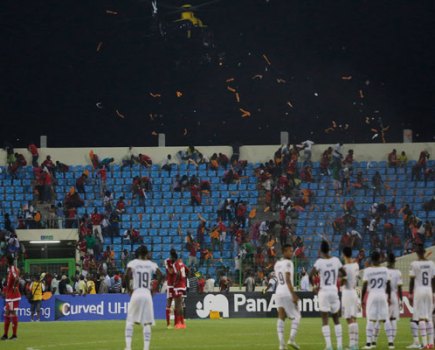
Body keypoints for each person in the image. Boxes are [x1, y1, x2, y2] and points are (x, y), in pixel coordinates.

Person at [309, 240, 346, 350]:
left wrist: (314, 287)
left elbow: (310, 275)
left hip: (323, 292)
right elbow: (344, 273)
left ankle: (329, 346)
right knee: (336, 319)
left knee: (325, 319)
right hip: (334, 291)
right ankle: (339, 346)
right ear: (329, 249)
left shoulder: (319, 262)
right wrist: (336, 274)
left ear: (320, 250)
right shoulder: (336, 260)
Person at [124, 245, 162, 350]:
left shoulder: (133, 263)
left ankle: (128, 347)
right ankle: (146, 348)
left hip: (136, 292)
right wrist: (155, 289)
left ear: (138, 254)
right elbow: (161, 275)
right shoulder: (151, 264)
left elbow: (126, 275)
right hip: (146, 293)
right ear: (147, 253)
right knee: (147, 323)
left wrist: (129, 289)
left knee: (130, 321)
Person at [361, 251, 391, 350]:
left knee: (370, 319)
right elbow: (388, 285)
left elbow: (364, 286)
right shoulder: (385, 269)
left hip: (372, 295)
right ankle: (391, 343)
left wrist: (361, 299)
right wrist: (389, 296)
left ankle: (369, 344)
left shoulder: (368, 270)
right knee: (385, 318)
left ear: (371, 259)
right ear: (379, 258)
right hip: (382, 294)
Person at [274, 244, 301, 350]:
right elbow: (288, 279)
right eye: (290, 251)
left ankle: (281, 345)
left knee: (281, 317)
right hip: (286, 291)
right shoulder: (288, 263)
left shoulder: (277, 264)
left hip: (278, 291)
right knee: (297, 316)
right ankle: (292, 339)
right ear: (284, 252)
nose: (292, 253)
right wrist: (293, 294)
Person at [408, 245, 435, 349]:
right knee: (429, 317)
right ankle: (431, 343)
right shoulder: (431, 263)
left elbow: (411, 280)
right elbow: (433, 280)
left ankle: (424, 344)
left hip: (419, 290)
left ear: (416, 253)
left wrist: (410, 294)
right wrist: (434, 293)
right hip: (429, 290)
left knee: (421, 318)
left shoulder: (414, 264)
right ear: (424, 252)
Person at [341, 247, 360, 350]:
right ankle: (355, 343)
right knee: (354, 318)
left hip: (347, 293)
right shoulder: (356, 265)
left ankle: (352, 345)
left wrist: (340, 278)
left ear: (344, 254)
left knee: (348, 318)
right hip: (354, 291)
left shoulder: (345, 268)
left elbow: (342, 282)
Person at [1, 256, 20, 340]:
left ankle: (14, 335)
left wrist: (14, 288)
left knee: (11, 314)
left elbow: (17, 278)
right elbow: (11, 282)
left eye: (5, 260)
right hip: (10, 296)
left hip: (13, 297)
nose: (4, 262)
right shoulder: (10, 270)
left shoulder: (12, 269)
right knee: (7, 314)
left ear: (8, 261)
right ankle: (6, 335)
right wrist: (5, 290)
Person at [386, 253, 403, 349]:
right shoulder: (398, 272)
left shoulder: (384, 271)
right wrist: (401, 300)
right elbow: (400, 288)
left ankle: (390, 341)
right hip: (395, 296)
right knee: (393, 319)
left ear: (388, 260)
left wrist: (387, 297)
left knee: (386, 319)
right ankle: (392, 341)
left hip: (387, 296)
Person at [173, 257, 189, 329]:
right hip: (183, 285)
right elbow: (188, 271)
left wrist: (175, 282)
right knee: (180, 304)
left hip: (178, 286)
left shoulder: (176, 264)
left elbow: (178, 273)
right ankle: (182, 323)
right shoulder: (182, 264)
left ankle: (180, 323)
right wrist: (184, 278)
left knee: (178, 305)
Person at [164, 249, 177, 329]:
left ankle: (176, 323)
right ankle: (168, 324)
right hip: (170, 285)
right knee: (169, 303)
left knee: (177, 304)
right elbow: (171, 272)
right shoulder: (168, 261)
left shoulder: (176, 261)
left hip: (177, 285)